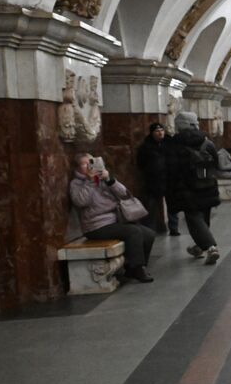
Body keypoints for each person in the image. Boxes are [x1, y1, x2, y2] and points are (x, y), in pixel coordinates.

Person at [70, 153, 157, 283]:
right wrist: (89, 181)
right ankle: (138, 268)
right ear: (77, 168)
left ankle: (132, 267)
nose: (89, 166)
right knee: (133, 232)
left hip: (116, 220)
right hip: (96, 226)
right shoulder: (76, 184)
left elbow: (124, 194)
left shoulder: (103, 179)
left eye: (91, 162)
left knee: (149, 234)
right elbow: (81, 202)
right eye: (84, 164)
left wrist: (110, 180)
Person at [164, 111, 221, 264]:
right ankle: (200, 247)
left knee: (193, 217)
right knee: (204, 216)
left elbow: (171, 168)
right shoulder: (206, 141)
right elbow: (216, 162)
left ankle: (210, 247)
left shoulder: (174, 143)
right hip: (207, 184)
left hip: (186, 188)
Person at [135, 122, 176, 235]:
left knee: (172, 204)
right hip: (153, 180)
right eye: (157, 131)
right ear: (152, 133)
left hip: (169, 178)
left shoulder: (170, 143)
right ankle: (150, 229)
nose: (160, 133)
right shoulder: (146, 146)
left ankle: (174, 228)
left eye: (162, 130)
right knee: (151, 206)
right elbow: (141, 163)